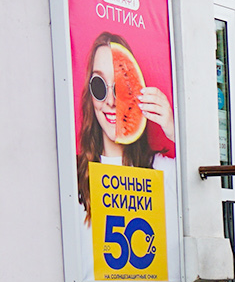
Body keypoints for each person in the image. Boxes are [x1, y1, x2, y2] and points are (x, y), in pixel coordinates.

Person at [74, 31, 176, 222]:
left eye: (122, 87)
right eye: (99, 85)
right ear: (89, 94)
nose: (111, 101)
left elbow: (204, 182)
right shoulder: (73, 174)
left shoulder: (163, 171)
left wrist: (173, 130)